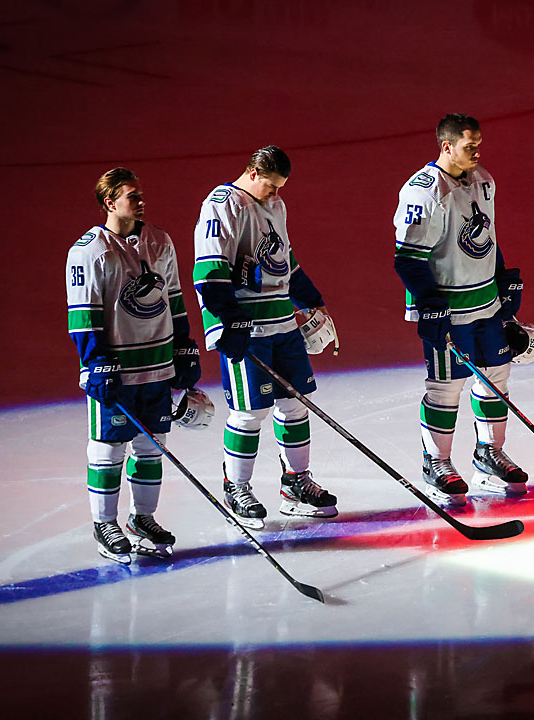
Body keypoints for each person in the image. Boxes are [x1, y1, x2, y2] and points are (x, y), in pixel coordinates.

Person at [192, 146, 337, 528]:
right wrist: (228, 322)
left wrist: (312, 300)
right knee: (250, 411)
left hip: (283, 325)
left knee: (295, 404)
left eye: (280, 187)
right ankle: (236, 487)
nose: (275, 193)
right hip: (248, 328)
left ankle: (295, 484)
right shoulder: (222, 205)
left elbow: (285, 261)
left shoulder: (276, 206)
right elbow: (209, 272)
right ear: (253, 173)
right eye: (271, 186)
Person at [66, 168, 202, 563]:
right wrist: (95, 363)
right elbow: (83, 315)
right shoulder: (89, 251)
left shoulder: (160, 240)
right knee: (108, 447)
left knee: (151, 446)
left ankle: (143, 518)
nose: (140, 201)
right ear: (109, 202)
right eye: (131, 196)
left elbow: (174, 298)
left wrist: (184, 346)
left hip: (157, 365)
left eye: (141, 194)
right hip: (117, 369)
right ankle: (104, 524)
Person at [393, 113, 528, 504]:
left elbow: (488, 236)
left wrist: (502, 279)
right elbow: (408, 259)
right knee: (447, 387)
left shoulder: (483, 180)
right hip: (449, 310)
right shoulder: (423, 192)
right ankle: (435, 463)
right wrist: (429, 304)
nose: (477, 152)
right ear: (447, 146)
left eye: (479, 144)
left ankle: (489, 454)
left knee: (496, 377)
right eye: (470, 146)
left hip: (486, 303)